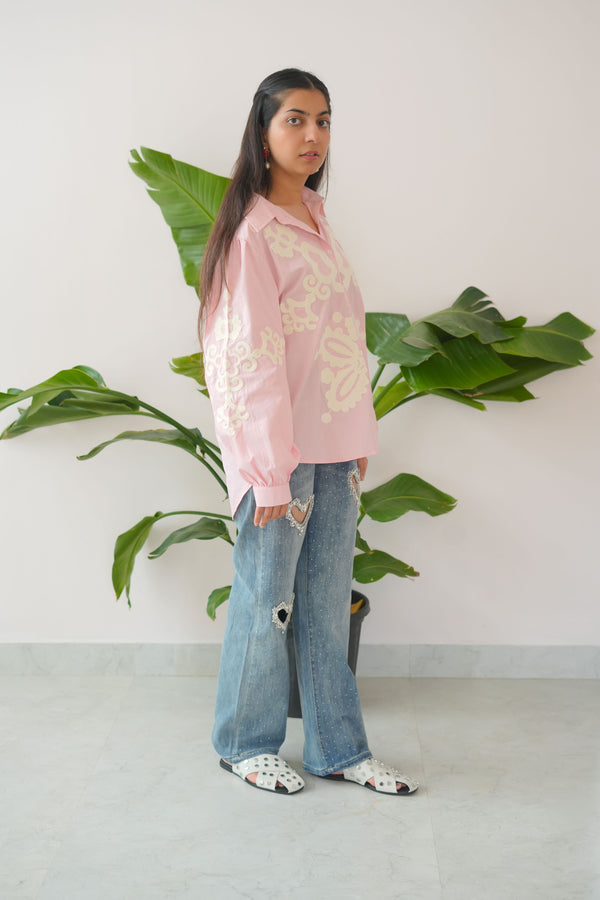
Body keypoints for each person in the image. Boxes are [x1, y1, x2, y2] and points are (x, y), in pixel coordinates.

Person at [199, 68, 418, 796]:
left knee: (326, 604)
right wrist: (266, 472)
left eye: (323, 120)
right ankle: (244, 743)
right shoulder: (253, 234)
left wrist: (357, 436)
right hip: (280, 456)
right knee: (268, 602)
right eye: (294, 119)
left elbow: (339, 340)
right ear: (262, 132)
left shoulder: (317, 221)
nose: (312, 135)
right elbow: (248, 359)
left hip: (332, 450)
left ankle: (338, 749)